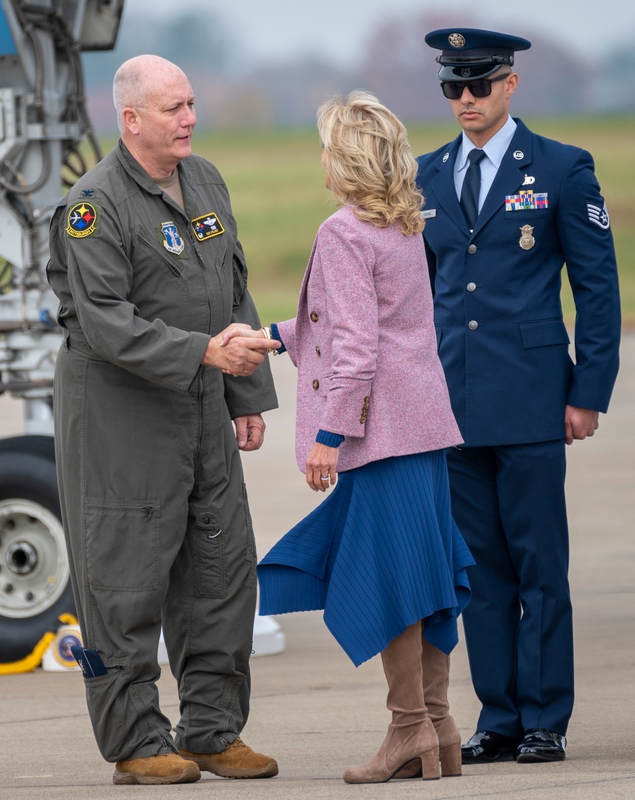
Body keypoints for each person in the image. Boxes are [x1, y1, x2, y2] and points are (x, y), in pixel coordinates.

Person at [46, 54, 280, 786]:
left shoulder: (205, 179)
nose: (190, 119)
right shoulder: (92, 206)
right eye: (174, 108)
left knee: (221, 573)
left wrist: (245, 392)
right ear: (132, 119)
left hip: (206, 407)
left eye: (190, 104)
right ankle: (134, 740)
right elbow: (105, 322)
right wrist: (205, 356)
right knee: (122, 586)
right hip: (123, 421)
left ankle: (211, 729)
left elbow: (232, 288)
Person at [243, 91, 473, 784]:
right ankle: (439, 727)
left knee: (395, 581)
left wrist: (329, 435)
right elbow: (359, 322)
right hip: (424, 428)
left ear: (344, 160)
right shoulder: (400, 224)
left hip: (381, 434)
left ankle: (410, 732)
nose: (320, 159)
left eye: (325, 147)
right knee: (427, 576)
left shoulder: (344, 231)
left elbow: (357, 348)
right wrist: (274, 338)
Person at [418, 29, 621, 764]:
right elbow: (418, 297)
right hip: (454, 402)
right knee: (483, 573)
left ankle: (545, 719)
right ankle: (498, 716)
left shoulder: (563, 168)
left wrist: (589, 390)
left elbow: (596, 289)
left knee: (539, 565)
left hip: (535, 397)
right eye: (452, 87)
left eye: (477, 84)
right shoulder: (427, 176)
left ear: (510, 83)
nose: (465, 100)